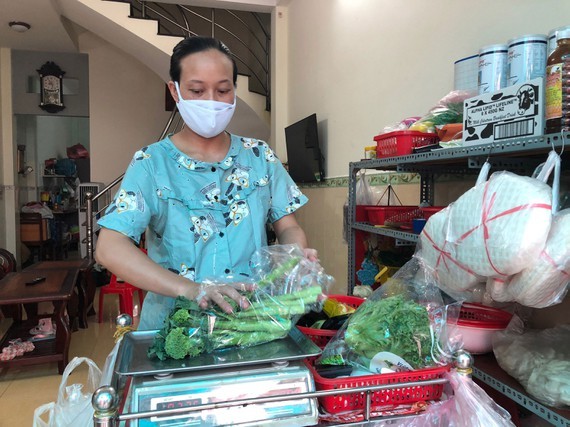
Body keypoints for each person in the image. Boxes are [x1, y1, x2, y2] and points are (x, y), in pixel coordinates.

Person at [95, 36, 317, 330]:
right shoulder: (152, 163)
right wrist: (190, 289)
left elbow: (287, 226)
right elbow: (109, 248)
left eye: (223, 90)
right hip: (175, 329)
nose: (211, 101)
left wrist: (293, 259)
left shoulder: (259, 156)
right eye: (197, 90)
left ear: (234, 92)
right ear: (175, 91)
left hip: (252, 323)